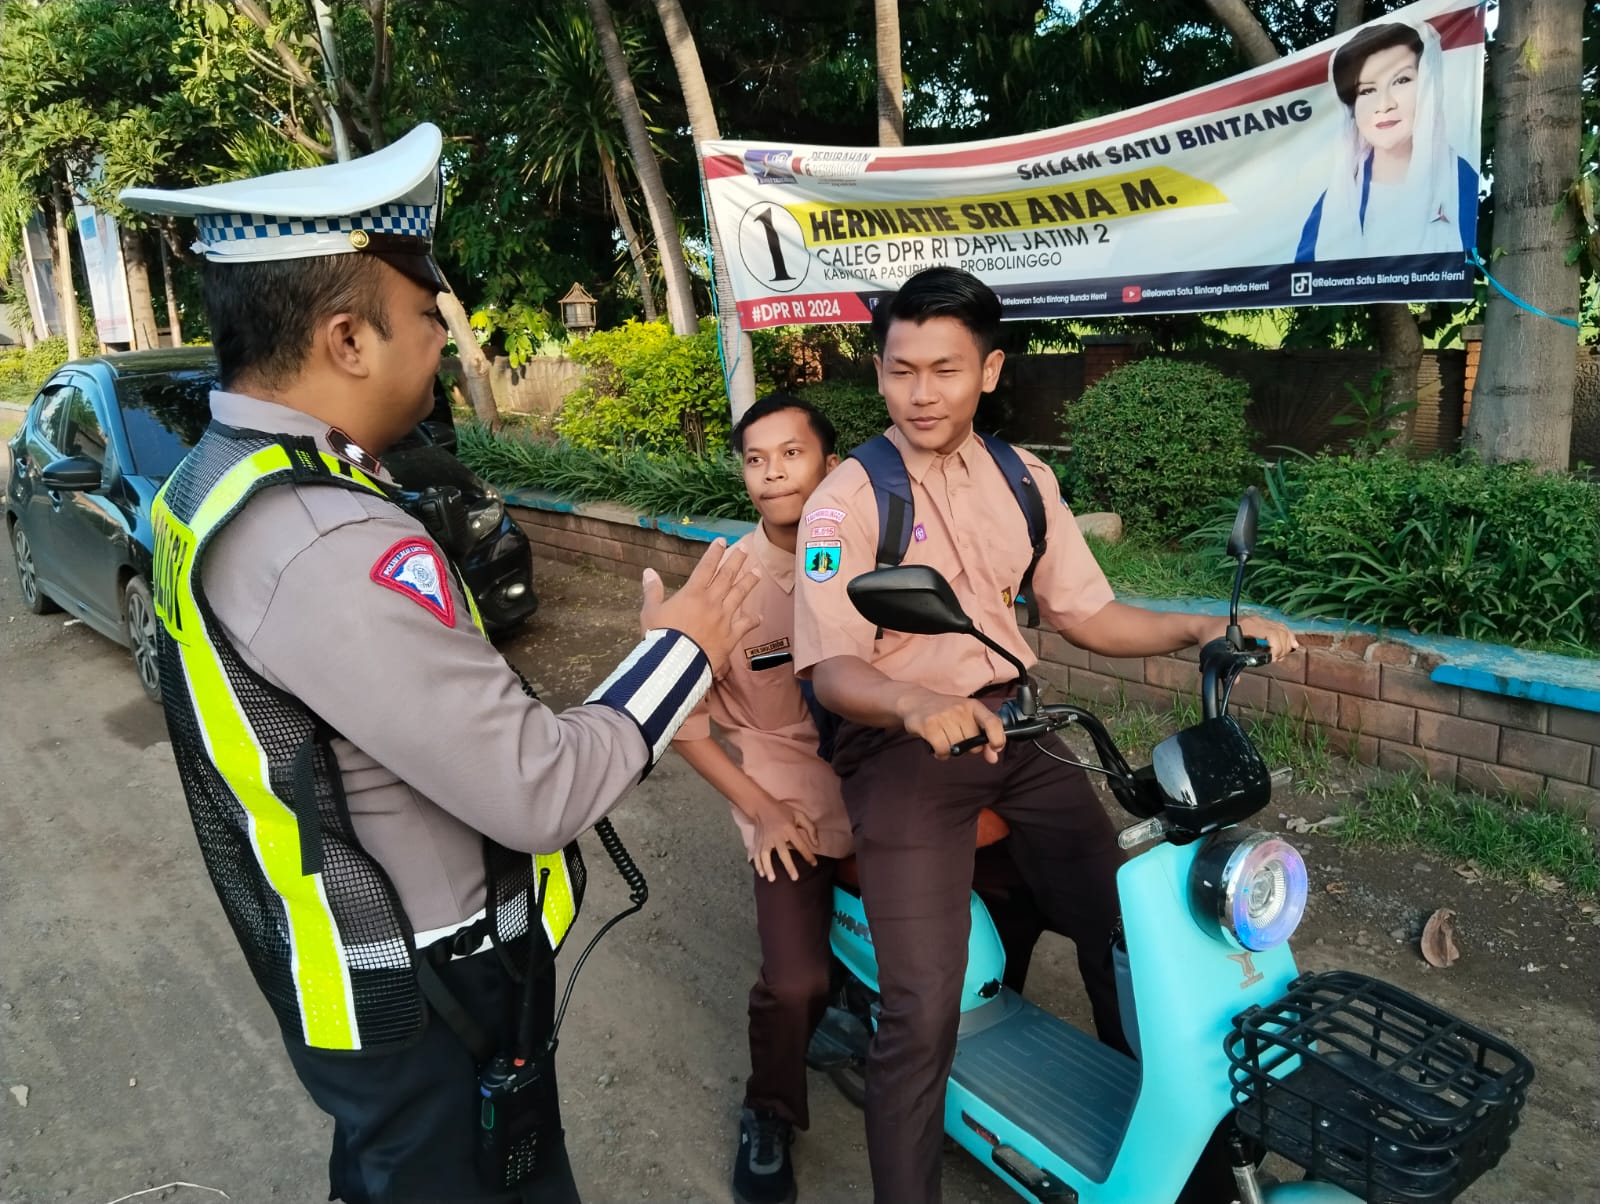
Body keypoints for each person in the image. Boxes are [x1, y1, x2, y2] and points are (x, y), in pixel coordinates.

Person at [119, 123, 759, 1204]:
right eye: (425, 315)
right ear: (347, 339)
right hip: (431, 983)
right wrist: (686, 647)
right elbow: (536, 788)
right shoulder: (321, 535)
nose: (442, 340)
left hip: (361, 961)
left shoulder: (217, 479)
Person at [791, 266, 1298, 1202]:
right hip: (904, 748)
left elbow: (1086, 612)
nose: (921, 393)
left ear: (988, 372)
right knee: (922, 1008)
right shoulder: (847, 500)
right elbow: (833, 670)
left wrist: (1200, 627)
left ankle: (1169, 1155)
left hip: (1020, 731)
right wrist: (911, 704)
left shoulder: (1024, 479)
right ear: (880, 371)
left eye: (945, 369)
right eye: (901, 370)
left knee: (1128, 933)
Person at [674, 391, 1050, 1204]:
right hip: (800, 807)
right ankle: (770, 1110)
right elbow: (685, 724)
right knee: (795, 983)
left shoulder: (886, 554)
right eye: (755, 459)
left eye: (792, 454)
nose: (773, 473)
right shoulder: (727, 584)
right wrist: (762, 808)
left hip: (902, 782)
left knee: (1020, 888)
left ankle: (975, 1034)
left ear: (833, 464)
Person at [1296, 18, 1479, 262]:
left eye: (1401, 81)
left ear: (1428, 86)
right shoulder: (1335, 201)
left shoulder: (1460, 182)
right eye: (1367, 90)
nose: (1384, 105)